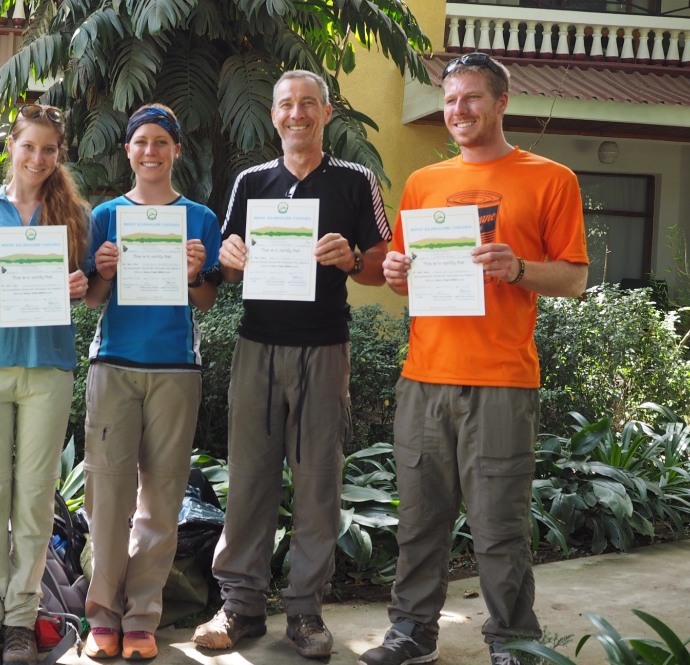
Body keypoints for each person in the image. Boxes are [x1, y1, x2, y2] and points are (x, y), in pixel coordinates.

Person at [360, 53, 588, 665]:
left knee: (498, 527)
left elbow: (573, 279)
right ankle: (412, 634)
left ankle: (513, 639)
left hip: (502, 381)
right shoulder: (424, 184)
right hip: (424, 378)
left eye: (472, 98)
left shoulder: (551, 178)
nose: (458, 110)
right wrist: (393, 272)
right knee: (419, 523)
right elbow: (403, 283)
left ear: (501, 102)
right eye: (451, 99)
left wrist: (517, 267)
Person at [191, 69, 390, 660]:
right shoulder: (251, 181)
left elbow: (382, 263)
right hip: (258, 345)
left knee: (317, 482)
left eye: (309, 104)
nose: (297, 113)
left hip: (325, 349)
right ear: (274, 115)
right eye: (286, 104)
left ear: (327, 114)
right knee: (250, 479)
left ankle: (305, 611)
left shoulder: (356, 180)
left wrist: (353, 257)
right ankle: (242, 608)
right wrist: (228, 258)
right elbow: (228, 267)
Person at [80, 105, 221, 661]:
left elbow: (207, 299)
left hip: (175, 368)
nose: (151, 151)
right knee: (108, 497)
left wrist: (194, 275)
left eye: (162, 141)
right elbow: (91, 298)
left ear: (176, 151)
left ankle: (142, 618)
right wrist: (105, 272)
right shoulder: (106, 215)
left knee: (161, 502)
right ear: (128, 152)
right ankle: (102, 617)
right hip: (114, 364)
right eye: (141, 142)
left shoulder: (200, 218)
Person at [0, 103, 90, 665]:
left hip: (49, 368)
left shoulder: (73, 215)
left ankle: (21, 619)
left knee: (35, 500)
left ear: (59, 154)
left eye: (49, 149)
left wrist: (82, 286)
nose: (38, 158)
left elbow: (91, 286)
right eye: (28, 146)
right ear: (11, 145)